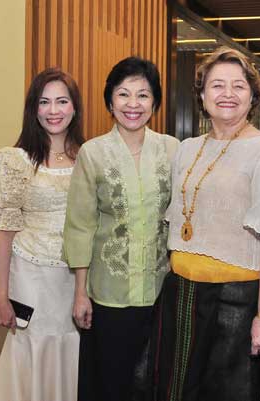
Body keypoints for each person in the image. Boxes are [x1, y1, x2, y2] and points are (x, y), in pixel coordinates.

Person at [149, 46, 260, 401]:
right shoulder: (187, 149)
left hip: (237, 299)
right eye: (217, 85)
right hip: (182, 295)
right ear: (202, 95)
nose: (227, 94)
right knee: (179, 390)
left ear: (253, 96)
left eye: (238, 86)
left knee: (234, 392)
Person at [62, 57, 179, 401]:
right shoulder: (92, 153)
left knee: (156, 381)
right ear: (110, 101)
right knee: (112, 382)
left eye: (143, 95)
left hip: (161, 289)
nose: (133, 104)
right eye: (123, 94)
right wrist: (81, 292)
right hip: (110, 293)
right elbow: (80, 225)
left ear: (155, 102)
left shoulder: (173, 150)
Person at [0, 68, 84, 401]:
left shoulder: (89, 157)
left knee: (71, 345)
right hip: (30, 275)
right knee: (33, 345)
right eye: (44, 102)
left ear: (75, 107)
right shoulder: (15, 161)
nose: (53, 111)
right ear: (33, 108)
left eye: (62, 101)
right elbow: (3, 234)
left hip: (75, 276)